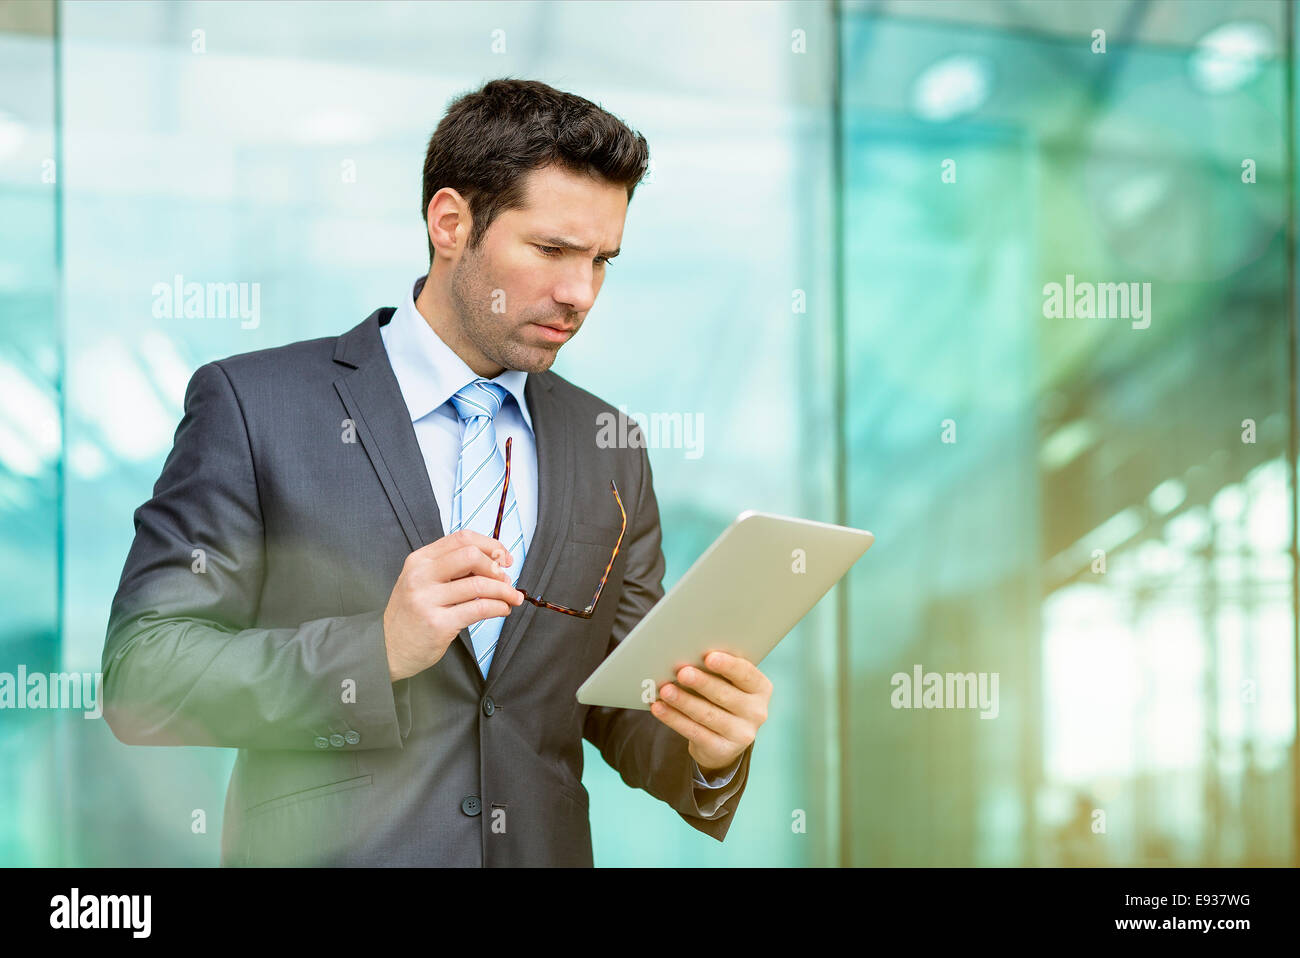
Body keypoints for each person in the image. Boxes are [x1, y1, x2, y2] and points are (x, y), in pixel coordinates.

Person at [102, 77, 771, 866]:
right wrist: (376, 651)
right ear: (450, 222)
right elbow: (143, 677)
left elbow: (614, 706)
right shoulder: (255, 407)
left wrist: (708, 742)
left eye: (601, 260)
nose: (579, 292)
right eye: (551, 250)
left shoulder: (608, 442)